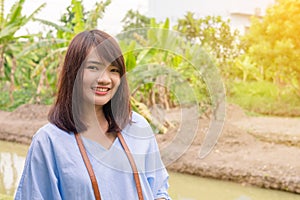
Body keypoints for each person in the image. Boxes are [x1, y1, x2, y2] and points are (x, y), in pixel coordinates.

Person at [15, 30, 171, 200]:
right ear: (73, 72)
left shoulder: (137, 126)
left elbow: (158, 190)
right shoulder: (48, 141)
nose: (104, 79)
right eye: (93, 67)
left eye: (113, 69)